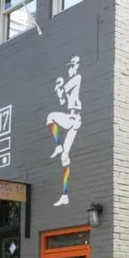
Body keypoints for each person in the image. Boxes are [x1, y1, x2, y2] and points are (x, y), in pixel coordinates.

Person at [46, 56, 83, 206]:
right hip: (73, 119)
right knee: (65, 157)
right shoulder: (71, 84)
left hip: (73, 118)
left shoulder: (77, 78)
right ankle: (65, 195)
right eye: (68, 67)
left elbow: (65, 88)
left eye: (71, 67)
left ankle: (58, 145)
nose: (69, 70)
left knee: (50, 116)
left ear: (76, 67)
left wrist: (60, 86)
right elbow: (63, 100)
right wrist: (59, 91)